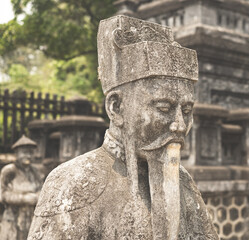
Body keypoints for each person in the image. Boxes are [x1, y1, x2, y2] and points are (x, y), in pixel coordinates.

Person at [28, 15, 218, 240]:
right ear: (116, 107)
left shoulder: (182, 180)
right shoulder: (73, 182)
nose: (180, 125)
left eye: (186, 111)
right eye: (164, 107)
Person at [0, 135, 42, 240]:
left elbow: (42, 190)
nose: (28, 155)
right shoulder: (9, 171)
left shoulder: (36, 172)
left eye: (31, 152)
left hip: (31, 217)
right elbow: (3, 195)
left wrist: (37, 197)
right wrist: (24, 198)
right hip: (13, 218)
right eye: (24, 152)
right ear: (17, 153)